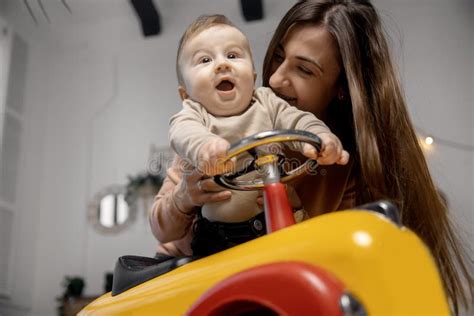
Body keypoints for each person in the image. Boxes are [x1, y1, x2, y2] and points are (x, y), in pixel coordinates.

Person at [149, 0, 472, 313]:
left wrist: (315, 158)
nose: (275, 79)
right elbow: (169, 206)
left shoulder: (342, 166)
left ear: (341, 87)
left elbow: (338, 271)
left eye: (304, 69)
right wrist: (184, 196)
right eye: (277, 56)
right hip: (199, 281)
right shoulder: (207, 134)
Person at [169, 14, 349, 256]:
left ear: (252, 78)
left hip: (267, 226)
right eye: (205, 60)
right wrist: (204, 147)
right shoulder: (194, 113)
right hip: (215, 235)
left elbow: (297, 120)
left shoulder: (266, 101)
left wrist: (320, 137)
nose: (223, 64)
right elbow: (182, 132)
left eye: (232, 55)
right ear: (186, 95)